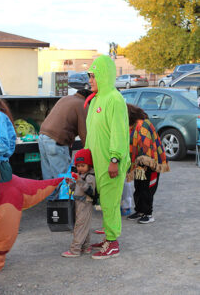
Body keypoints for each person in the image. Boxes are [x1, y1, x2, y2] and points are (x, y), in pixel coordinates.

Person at [84, 55, 131, 259]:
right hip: (98, 162)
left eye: (93, 76)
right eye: (89, 76)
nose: (90, 80)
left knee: (111, 203)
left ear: (104, 76)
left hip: (111, 163)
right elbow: (91, 133)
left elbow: (119, 133)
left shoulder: (114, 99)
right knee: (105, 203)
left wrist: (115, 160)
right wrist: (85, 158)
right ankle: (107, 238)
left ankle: (113, 243)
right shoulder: (96, 100)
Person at [38, 89, 92, 199]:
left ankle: (52, 205)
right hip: (56, 140)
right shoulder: (83, 104)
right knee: (63, 176)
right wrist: (89, 152)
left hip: (42, 136)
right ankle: (64, 205)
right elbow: (84, 132)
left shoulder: (66, 98)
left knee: (49, 177)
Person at [126, 103, 170, 223]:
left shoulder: (143, 124)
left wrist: (143, 160)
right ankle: (140, 211)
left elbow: (147, 146)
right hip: (140, 162)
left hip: (151, 162)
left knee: (147, 188)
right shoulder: (134, 125)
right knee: (138, 186)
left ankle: (148, 214)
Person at [61, 148, 96, 257]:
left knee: (80, 226)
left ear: (89, 165)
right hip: (78, 203)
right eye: (78, 165)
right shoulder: (80, 175)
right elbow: (76, 188)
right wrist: (71, 182)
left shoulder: (90, 176)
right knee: (83, 225)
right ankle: (86, 247)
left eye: (83, 165)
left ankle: (75, 250)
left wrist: (79, 180)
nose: (80, 168)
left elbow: (90, 190)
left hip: (85, 203)